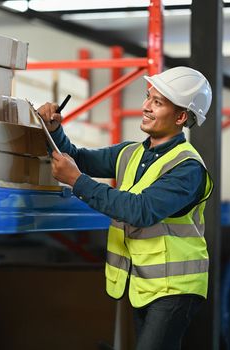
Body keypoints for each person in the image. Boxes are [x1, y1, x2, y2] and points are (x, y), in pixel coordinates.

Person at [38, 66, 213, 350]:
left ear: (181, 117)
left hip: (175, 288)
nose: (145, 106)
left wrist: (77, 181)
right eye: (148, 97)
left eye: (157, 102)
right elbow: (78, 158)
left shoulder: (187, 168)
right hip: (145, 282)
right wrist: (55, 130)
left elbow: (140, 211)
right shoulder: (131, 152)